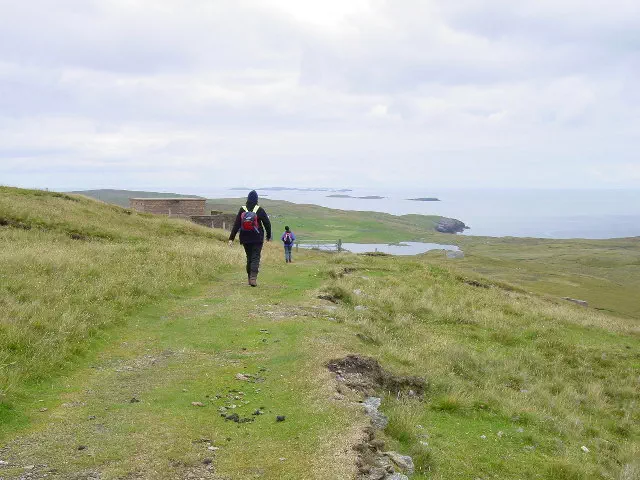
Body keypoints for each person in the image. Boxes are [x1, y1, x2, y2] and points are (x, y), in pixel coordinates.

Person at [228, 190, 271, 286]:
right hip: (257, 237)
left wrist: (231, 238)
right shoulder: (259, 209)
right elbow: (267, 224)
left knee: (249, 257)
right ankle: (253, 278)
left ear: (248, 199)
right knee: (256, 257)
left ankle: (249, 278)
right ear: (256, 199)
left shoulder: (242, 209)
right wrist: (268, 236)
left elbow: (236, 225)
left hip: (245, 237)